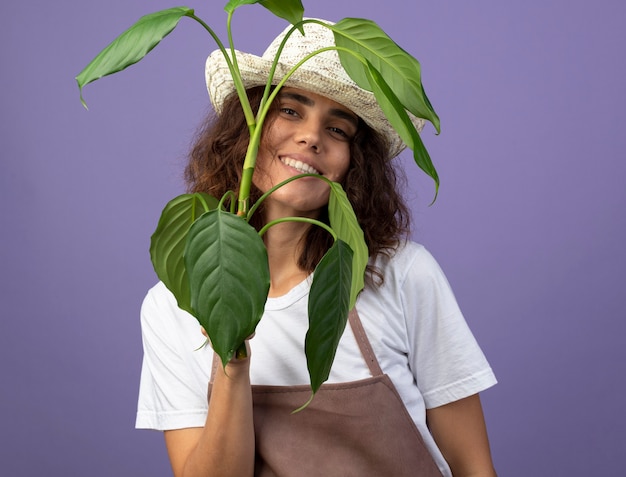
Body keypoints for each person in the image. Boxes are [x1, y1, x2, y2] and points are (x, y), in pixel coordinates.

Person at [136, 19, 498, 477]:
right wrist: (232, 361)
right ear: (244, 129)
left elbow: (474, 466)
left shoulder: (400, 274)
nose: (311, 136)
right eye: (290, 110)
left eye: (339, 129)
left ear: (355, 166)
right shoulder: (175, 304)